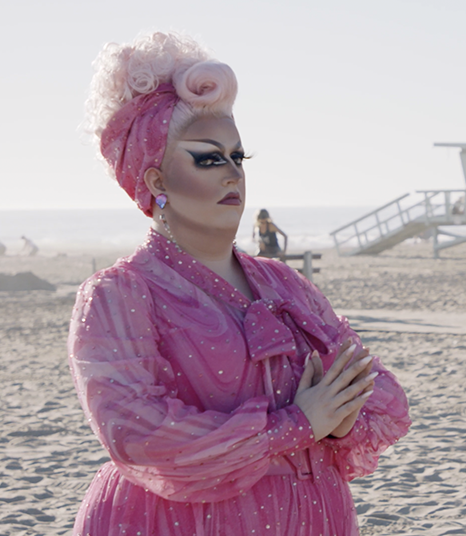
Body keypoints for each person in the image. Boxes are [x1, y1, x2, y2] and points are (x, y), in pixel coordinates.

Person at [70, 32, 410, 535]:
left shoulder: (284, 284)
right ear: (156, 181)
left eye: (238, 157)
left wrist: (341, 422)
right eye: (208, 158)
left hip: (313, 516)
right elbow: (138, 435)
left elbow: (380, 391)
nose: (232, 173)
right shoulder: (119, 294)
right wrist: (296, 425)